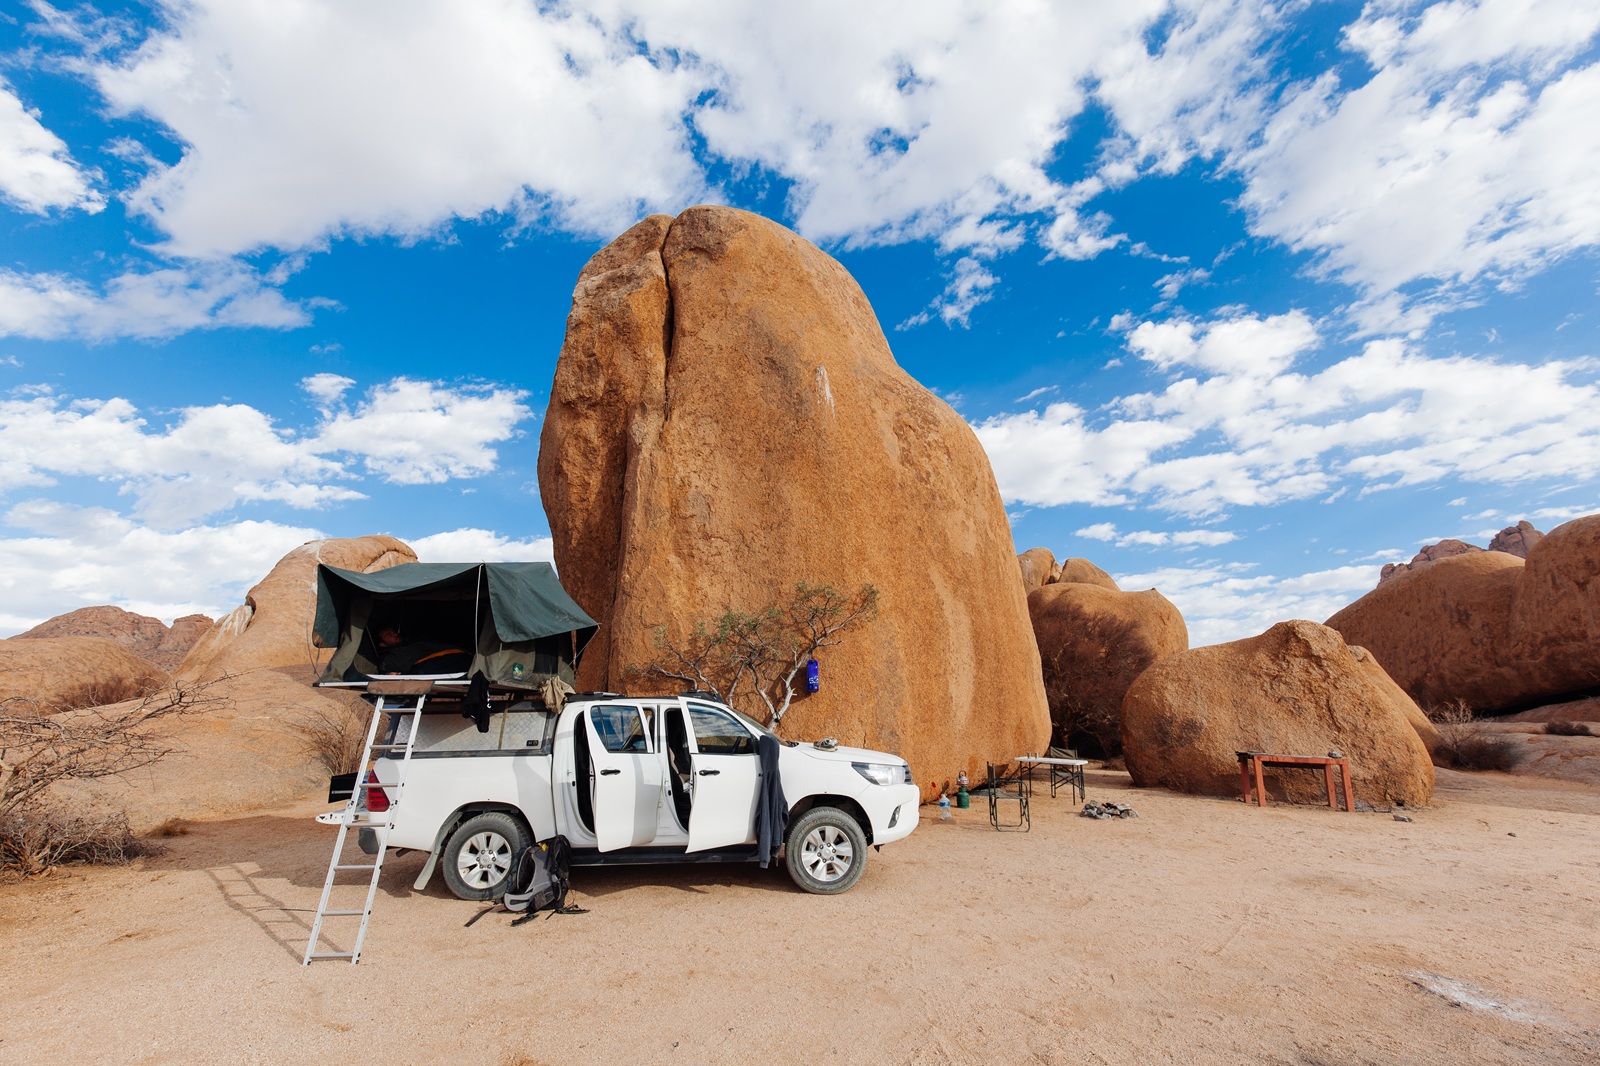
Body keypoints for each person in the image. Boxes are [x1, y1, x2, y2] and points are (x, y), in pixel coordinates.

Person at [373, 625, 471, 675]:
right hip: (417, 673)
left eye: (394, 632)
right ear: (383, 644)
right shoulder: (386, 660)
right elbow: (384, 675)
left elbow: (443, 647)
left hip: (439, 662)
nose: (395, 634)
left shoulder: (417, 642)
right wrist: (390, 674)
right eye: (389, 635)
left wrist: (466, 652)